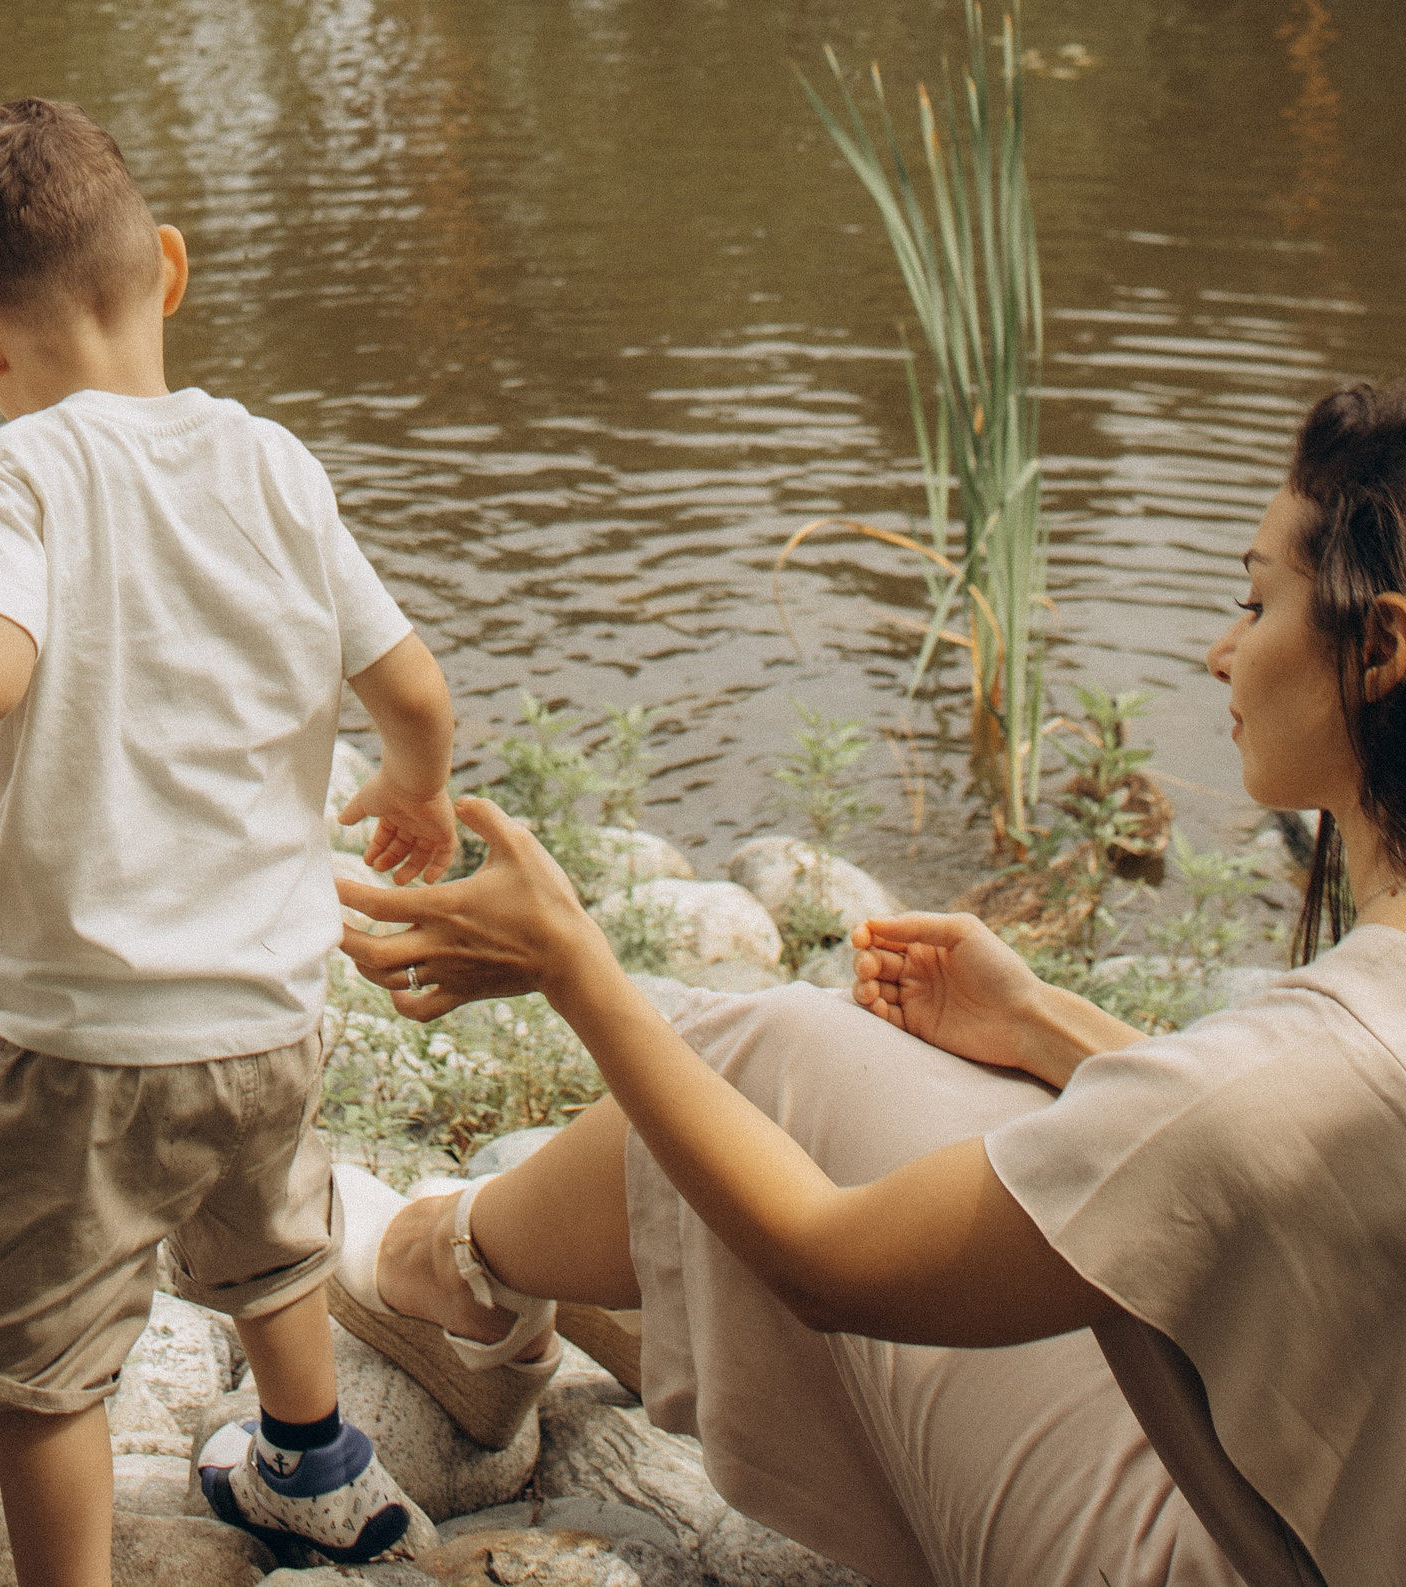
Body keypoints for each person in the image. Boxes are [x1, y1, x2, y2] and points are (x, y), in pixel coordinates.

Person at [330, 380, 1406, 1587]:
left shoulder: (1309, 1068)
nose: (1222, 650)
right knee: (919, 1084)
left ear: (1378, 647)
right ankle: (531, 1269)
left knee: (779, 1061)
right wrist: (1038, 1023)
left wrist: (571, 966)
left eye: (1255, 602)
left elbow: (830, 1262)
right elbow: (1274, 1146)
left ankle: (448, 1269)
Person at [0, 97, 457, 1583]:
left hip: (82, 1041)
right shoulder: (274, 462)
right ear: (170, 268)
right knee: (273, 1244)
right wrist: (417, 786)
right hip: (268, 1012)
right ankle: (315, 1468)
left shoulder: (17, 471)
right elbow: (411, 684)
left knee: (51, 1368)